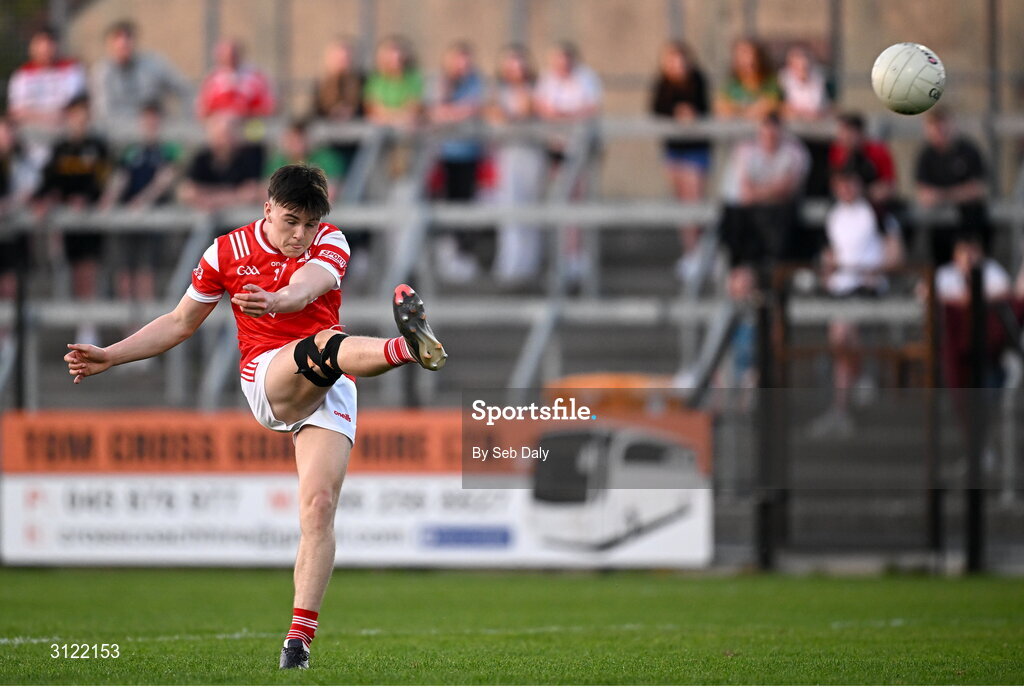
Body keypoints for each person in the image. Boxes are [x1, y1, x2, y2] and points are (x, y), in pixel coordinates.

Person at [63, 164, 448, 670]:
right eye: (291, 221)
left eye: (309, 225)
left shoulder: (331, 240)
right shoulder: (225, 252)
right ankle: (407, 349)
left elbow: (307, 288)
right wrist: (111, 355)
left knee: (318, 506)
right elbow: (180, 322)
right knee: (328, 344)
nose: (300, 234)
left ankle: (298, 644)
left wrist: (277, 299)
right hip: (268, 376)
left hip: (328, 379)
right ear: (267, 208)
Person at [807, 167, 903, 438]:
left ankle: (843, 404)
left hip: (866, 287)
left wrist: (878, 270)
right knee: (840, 343)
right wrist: (827, 272)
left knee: (842, 335)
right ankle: (854, 386)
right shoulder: (834, 216)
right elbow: (830, 255)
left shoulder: (876, 213)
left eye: (850, 182)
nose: (846, 189)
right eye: (841, 184)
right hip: (841, 288)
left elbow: (895, 254)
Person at [33, 95, 111, 346]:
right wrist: (47, 200)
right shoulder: (60, 148)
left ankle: (89, 328)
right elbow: (49, 182)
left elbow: (104, 182)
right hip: (68, 223)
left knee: (88, 272)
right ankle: (82, 326)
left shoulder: (98, 147)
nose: (79, 121)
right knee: (76, 273)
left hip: (90, 221)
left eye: (83, 116)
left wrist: (88, 200)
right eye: (75, 115)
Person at [98, 101, 181, 314]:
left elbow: (165, 179)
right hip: (129, 219)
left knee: (146, 271)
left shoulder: (168, 150)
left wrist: (143, 201)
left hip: (152, 219)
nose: (150, 123)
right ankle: (129, 328)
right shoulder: (131, 150)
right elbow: (121, 178)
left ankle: (148, 329)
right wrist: (109, 200)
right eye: (147, 119)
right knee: (125, 271)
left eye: (154, 119)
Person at [535, 42, 602, 285]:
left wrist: (563, 116)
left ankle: (578, 257)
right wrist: (565, 117)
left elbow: (590, 109)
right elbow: (543, 109)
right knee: (561, 203)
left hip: (580, 149)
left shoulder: (586, 78)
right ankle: (564, 257)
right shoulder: (547, 80)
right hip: (556, 148)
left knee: (578, 203)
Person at [648, 40, 711, 282]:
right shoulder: (663, 83)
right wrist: (676, 113)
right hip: (674, 150)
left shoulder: (698, 80)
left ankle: (702, 250)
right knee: (682, 205)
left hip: (695, 149)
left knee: (695, 203)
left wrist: (692, 115)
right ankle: (691, 251)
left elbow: (705, 109)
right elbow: (656, 110)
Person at [429, 41, 486, 284]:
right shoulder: (440, 82)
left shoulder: (477, 82)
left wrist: (452, 112)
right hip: (444, 156)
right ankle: (447, 256)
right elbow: (436, 112)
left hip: (470, 155)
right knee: (445, 205)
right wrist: (450, 101)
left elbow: (475, 108)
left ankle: (464, 254)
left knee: (467, 206)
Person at [489, 44, 545, 286]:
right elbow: (495, 117)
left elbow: (525, 112)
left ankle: (529, 263)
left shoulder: (535, 89)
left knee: (530, 208)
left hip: (530, 154)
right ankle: (509, 262)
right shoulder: (497, 92)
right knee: (509, 207)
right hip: (507, 154)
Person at [915, 107, 991, 266]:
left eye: (943, 126)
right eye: (935, 128)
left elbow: (977, 190)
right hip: (939, 227)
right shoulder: (926, 155)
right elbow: (924, 195)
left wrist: (942, 195)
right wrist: (959, 193)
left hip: (969, 222)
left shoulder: (968, 150)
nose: (940, 132)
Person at [91, 20, 191, 121]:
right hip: (117, 134)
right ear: (108, 44)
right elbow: (104, 114)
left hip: (157, 132)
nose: (123, 42)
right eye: (117, 37)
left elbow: (185, 90)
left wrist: (183, 123)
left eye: (128, 36)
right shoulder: (102, 73)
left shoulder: (153, 65)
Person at [178, 113, 264, 213]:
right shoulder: (201, 158)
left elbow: (252, 191)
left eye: (226, 134)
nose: (223, 141)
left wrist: (210, 199)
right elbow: (188, 192)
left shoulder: (250, 156)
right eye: (219, 135)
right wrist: (234, 196)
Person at [7, 26, 87, 127]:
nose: (45, 49)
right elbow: (17, 112)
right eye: (40, 44)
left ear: (57, 45)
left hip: (67, 127)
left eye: (49, 44)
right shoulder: (22, 75)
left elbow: (80, 104)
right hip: (32, 129)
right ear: (31, 47)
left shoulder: (72, 69)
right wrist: (48, 117)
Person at [0, 116, 42, 305]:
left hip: (16, 230)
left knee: (13, 282)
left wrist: (10, 205)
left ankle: (9, 332)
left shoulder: (22, 159)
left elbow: (30, 188)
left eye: (8, 132)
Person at [310, 37, 365, 171]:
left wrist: (351, 112)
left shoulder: (361, 81)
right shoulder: (322, 84)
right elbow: (315, 112)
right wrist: (332, 113)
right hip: (330, 143)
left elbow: (366, 107)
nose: (342, 63)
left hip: (357, 144)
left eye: (345, 59)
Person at [265, 118, 345, 201]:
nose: (295, 144)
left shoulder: (325, 158)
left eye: (299, 139)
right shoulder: (278, 161)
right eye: (291, 139)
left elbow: (330, 192)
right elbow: (267, 192)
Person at [828, 112, 897, 206]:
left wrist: (866, 193)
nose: (844, 138)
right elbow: (835, 182)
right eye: (842, 133)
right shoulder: (838, 151)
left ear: (860, 134)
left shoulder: (877, 151)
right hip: (846, 203)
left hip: (872, 203)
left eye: (849, 134)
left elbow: (889, 186)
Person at [196, 39, 276, 120]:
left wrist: (243, 113)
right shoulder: (212, 79)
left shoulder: (256, 77)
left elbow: (270, 107)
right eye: (225, 55)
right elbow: (202, 110)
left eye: (233, 54)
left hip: (250, 124)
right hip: (220, 123)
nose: (230, 58)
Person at [714, 37, 781, 120]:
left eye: (752, 54)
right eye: (743, 54)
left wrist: (738, 110)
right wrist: (746, 112)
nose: (749, 59)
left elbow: (769, 106)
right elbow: (721, 108)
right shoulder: (730, 85)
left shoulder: (770, 82)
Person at [363, 35, 423, 128]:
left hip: (407, 127)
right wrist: (390, 118)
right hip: (381, 127)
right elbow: (372, 107)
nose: (395, 60)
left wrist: (398, 118)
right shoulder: (375, 79)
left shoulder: (413, 78)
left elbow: (413, 106)